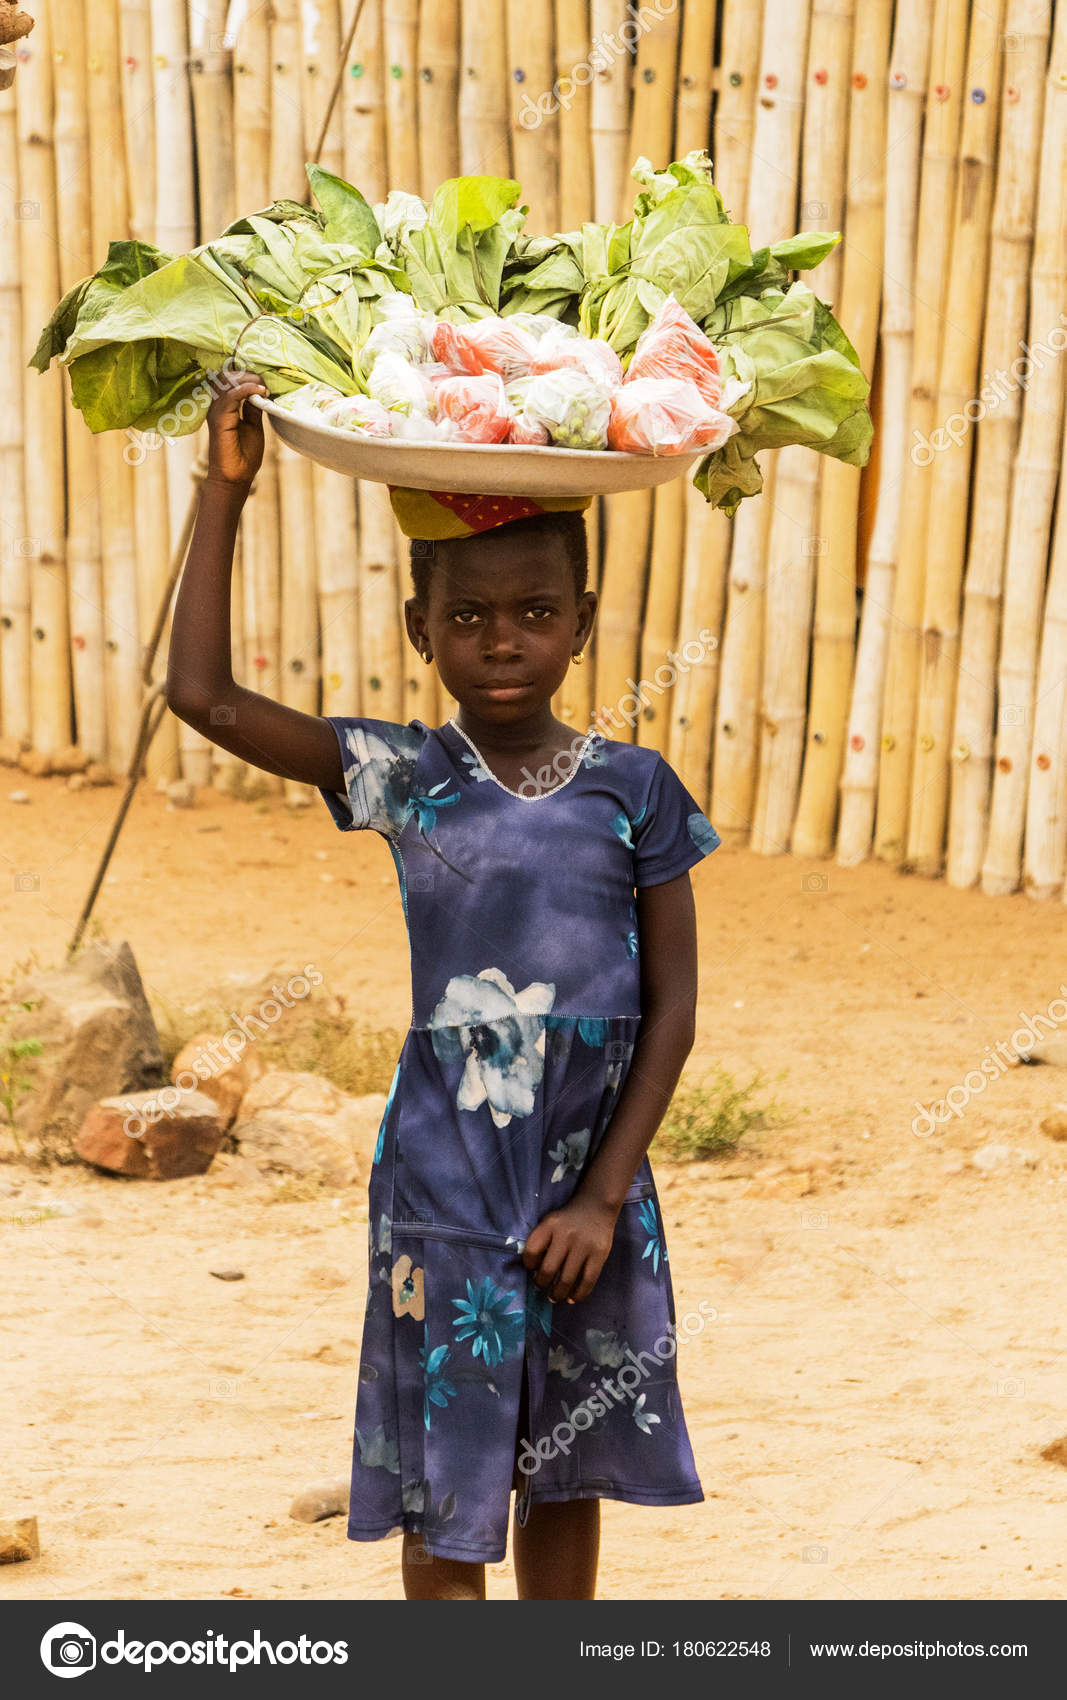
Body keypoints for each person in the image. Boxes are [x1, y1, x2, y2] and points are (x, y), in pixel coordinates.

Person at [166, 369, 722, 1602]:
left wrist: (601, 1194)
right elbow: (199, 696)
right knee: (448, 1475)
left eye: (533, 610)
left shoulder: (634, 787)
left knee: (565, 1468)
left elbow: (672, 1008)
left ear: (581, 619)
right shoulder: (405, 774)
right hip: (446, 1176)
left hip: (593, 1171)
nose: (502, 639)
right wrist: (226, 487)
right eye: (467, 617)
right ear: (420, 628)